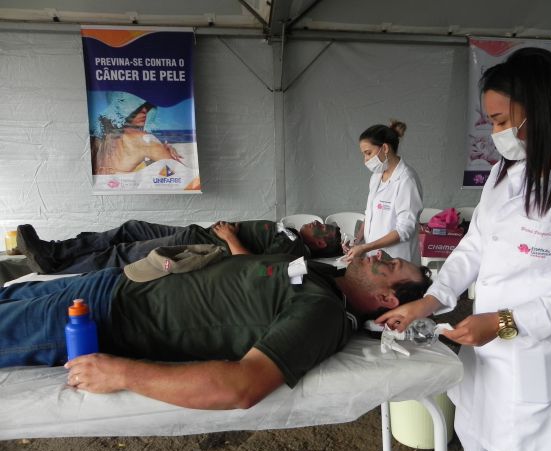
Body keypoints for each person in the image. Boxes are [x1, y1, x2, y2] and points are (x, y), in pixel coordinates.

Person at [377, 47, 551, 451]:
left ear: (541, 110)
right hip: (486, 355)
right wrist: (430, 300)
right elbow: (475, 244)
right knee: (476, 446)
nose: (495, 133)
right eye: (491, 122)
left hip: (535, 356)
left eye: (500, 121)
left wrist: (504, 322)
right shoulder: (505, 171)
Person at [0, 250, 431, 410]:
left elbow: (242, 387)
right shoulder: (323, 273)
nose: (380, 256)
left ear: (386, 299)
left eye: (390, 265)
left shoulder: (324, 313)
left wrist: (122, 374)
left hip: (108, 318)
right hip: (119, 282)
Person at [16, 219, 341, 274]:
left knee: (125, 254)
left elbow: (253, 266)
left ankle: (58, 267)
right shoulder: (291, 231)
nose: (317, 222)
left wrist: (230, 237)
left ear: (320, 241)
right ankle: (55, 252)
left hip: (202, 245)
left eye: (322, 227)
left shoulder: (296, 251)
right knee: (130, 229)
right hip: (197, 231)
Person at [344, 120, 423, 265]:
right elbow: (370, 214)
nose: (365, 160)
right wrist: (357, 241)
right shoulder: (376, 177)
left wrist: (366, 247)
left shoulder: (406, 179)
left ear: (385, 148)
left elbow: (405, 229)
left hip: (398, 261)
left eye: (368, 153)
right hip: (375, 259)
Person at [91, 91, 183, 175]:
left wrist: (159, 152)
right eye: (137, 107)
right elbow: (182, 175)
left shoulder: (99, 135)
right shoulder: (143, 139)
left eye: (147, 106)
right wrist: (164, 152)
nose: (144, 111)